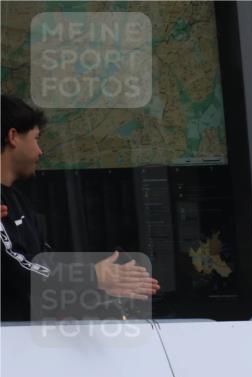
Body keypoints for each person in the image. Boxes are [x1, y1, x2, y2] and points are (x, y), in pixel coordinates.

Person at [1, 95, 159, 322]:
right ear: (13, 137)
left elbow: (46, 265)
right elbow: (17, 268)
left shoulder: (21, 201)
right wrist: (92, 276)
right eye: (36, 139)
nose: (40, 151)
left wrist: (101, 287)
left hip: (30, 343)